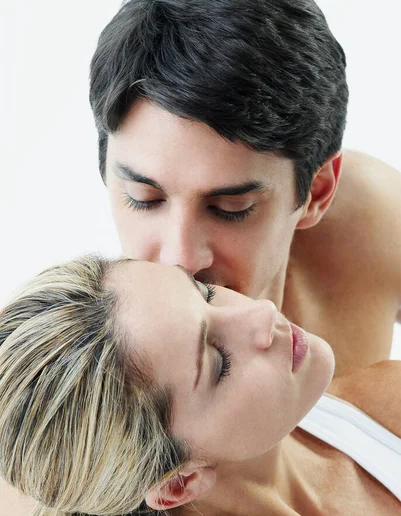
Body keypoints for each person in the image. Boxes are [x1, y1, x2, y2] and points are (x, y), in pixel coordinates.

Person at [0, 255, 400, 516]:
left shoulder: (381, 404)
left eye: (203, 292)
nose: (260, 313)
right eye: (218, 362)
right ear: (178, 484)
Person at [89, 0, 401, 380]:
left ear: (316, 193)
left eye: (230, 207)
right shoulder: (89, 387)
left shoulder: (376, 221)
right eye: (144, 198)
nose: (180, 259)